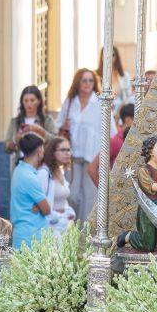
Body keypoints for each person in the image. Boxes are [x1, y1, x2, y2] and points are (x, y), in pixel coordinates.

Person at [57, 69, 113, 222]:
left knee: (90, 198)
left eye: (90, 80)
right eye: (84, 80)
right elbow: (57, 125)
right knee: (72, 195)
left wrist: (105, 155)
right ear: (78, 82)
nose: (88, 83)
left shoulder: (101, 102)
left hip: (93, 157)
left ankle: (85, 235)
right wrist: (63, 127)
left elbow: (111, 131)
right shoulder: (70, 102)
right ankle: (75, 226)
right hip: (72, 157)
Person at [9, 133, 51, 249]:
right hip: (30, 237)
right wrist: (40, 206)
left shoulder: (19, 169)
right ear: (39, 151)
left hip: (24, 233)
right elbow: (47, 210)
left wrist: (39, 206)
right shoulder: (29, 177)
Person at [4, 85, 57, 160]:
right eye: (26, 101)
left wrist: (41, 131)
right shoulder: (15, 122)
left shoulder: (47, 120)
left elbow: (55, 142)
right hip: (21, 162)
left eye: (32, 100)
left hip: (41, 162)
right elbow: (7, 149)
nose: (29, 104)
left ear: (38, 101)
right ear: (22, 102)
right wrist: (15, 140)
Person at [38, 137, 76, 236]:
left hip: (64, 224)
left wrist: (68, 212)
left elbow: (62, 198)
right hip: (51, 227)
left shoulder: (60, 171)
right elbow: (39, 201)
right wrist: (55, 218)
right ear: (52, 153)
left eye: (69, 150)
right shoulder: (44, 173)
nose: (67, 153)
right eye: (63, 150)